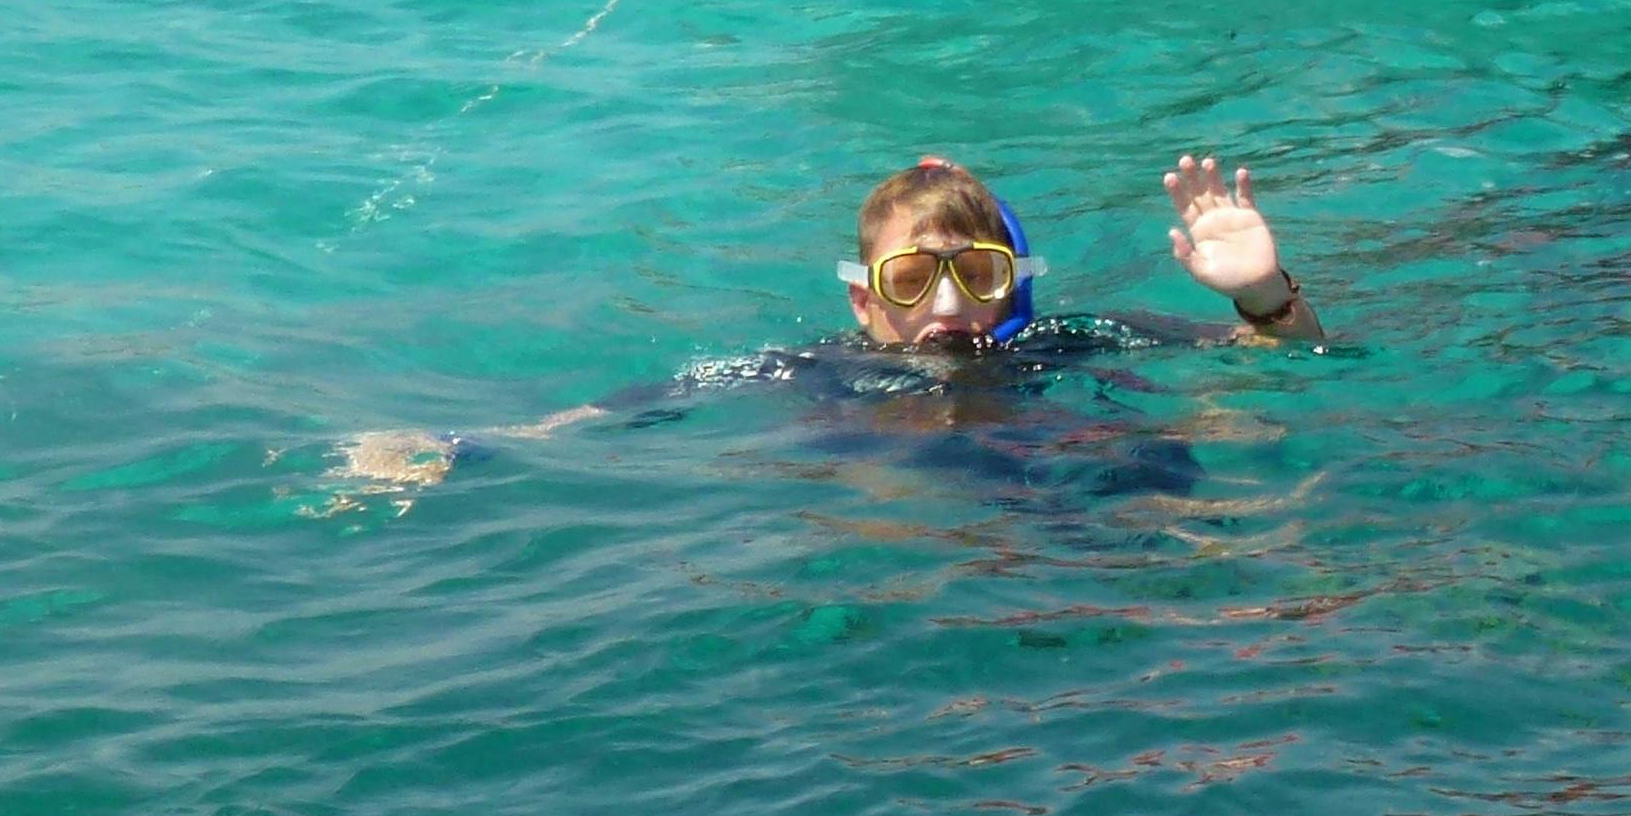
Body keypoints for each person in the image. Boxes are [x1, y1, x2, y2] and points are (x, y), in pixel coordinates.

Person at [318, 144, 1318, 509]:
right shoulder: (805, 368)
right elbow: (631, 408)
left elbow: (1295, 362)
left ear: (1014, 287)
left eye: (977, 275)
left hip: (1067, 495)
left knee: (1185, 457)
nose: (944, 305)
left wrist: (1263, 291)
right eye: (912, 277)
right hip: (913, 531)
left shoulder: (1073, 345)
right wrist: (460, 447)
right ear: (863, 298)